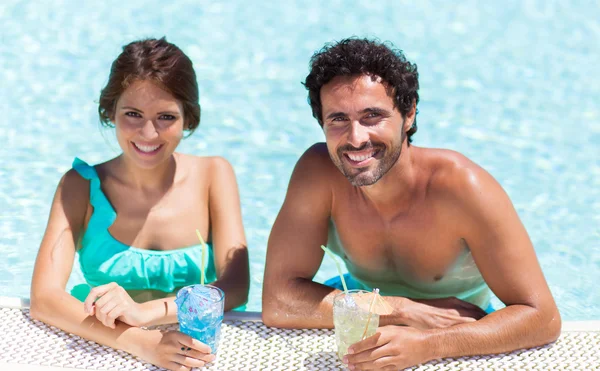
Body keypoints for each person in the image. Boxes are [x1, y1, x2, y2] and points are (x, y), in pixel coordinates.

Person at [262, 38, 560, 370]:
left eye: (372, 116)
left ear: (409, 113)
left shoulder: (461, 188)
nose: (356, 138)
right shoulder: (318, 173)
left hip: (459, 327)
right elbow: (278, 302)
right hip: (364, 309)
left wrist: (433, 344)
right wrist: (400, 311)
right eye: (338, 119)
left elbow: (542, 317)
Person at [30, 37, 249, 371]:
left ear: (188, 119)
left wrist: (149, 313)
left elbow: (235, 286)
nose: (148, 133)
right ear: (110, 112)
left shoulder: (213, 175)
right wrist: (142, 342)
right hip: (97, 346)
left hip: (195, 350)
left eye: (166, 117)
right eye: (133, 114)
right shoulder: (79, 187)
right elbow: (44, 298)